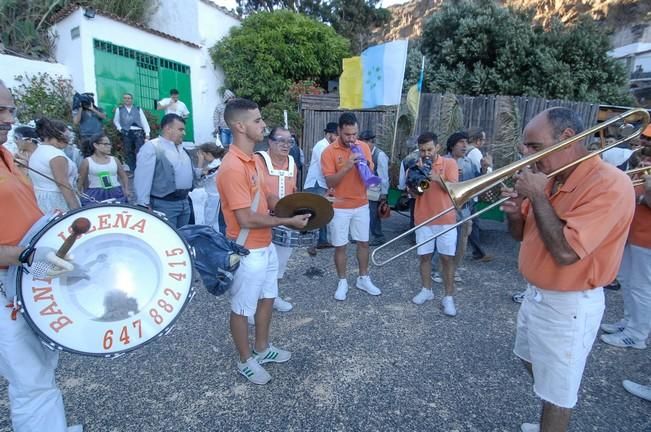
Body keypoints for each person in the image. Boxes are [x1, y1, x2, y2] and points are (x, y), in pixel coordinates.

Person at [500, 107, 635, 432]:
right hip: (537, 296)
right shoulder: (550, 179)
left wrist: (535, 195)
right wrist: (516, 214)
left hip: (569, 304)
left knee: (559, 394)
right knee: (532, 362)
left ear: (567, 138)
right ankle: (550, 408)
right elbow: (522, 236)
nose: (527, 155)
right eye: (525, 148)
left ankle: (553, 419)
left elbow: (564, 251)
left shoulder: (609, 184)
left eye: (534, 147)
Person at [0, 79, 82, 432]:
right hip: (8, 280)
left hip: (24, 275)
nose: (8, 118)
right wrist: (27, 255)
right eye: (0, 109)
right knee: (30, 381)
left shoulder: (8, 157)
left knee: (42, 365)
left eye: (11, 109)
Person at [216, 98, 310, 385]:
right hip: (247, 249)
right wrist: (287, 222)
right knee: (242, 308)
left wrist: (290, 207)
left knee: (268, 297)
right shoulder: (232, 166)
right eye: (257, 121)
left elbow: (265, 197)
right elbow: (245, 218)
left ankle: (262, 348)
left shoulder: (253, 160)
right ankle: (245, 360)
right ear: (239, 126)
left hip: (264, 244)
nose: (263, 125)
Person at [321, 112, 382, 301]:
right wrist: (347, 166)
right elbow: (330, 181)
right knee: (340, 246)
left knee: (363, 242)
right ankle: (342, 281)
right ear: (339, 131)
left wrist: (364, 166)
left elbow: (370, 174)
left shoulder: (363, 146)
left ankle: (363, 278)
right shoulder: (329, 152)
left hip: (361, 204)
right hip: (339, 206)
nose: (352, 138)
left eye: (354, 134)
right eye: (348, 135)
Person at [600, 147, 651, 349]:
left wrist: (647, 189)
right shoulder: (641, 167)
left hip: (647, 240)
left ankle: (637, 334)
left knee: (641, 288)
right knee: (627, 282)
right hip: (633, 234)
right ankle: (629, 322)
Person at [409, 132, 460, 316]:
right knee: (424, 257)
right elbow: (416, 195)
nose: (426, 153)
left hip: (446, 219)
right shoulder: (415, 167)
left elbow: (454, 190)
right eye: (422, 150)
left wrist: (436, 177)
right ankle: (426, 290)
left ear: (437, 147)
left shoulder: (450, 163)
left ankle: (448, 297)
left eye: (429, 149)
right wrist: (423, 178)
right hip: (423, 219)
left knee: (447, 259)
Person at [257, 127, 299, 312]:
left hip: (285, 222)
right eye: (281, 140)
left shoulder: (292, 163)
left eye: (289, 141)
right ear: (270, 142)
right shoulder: (258, 161)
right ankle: (253, 304)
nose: (286, 145)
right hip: (261, 221)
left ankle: (272, 296)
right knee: (258, 266)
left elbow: (293, 190)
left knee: (279, 264)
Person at [134, 114, 198, 228]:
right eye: (180, 129)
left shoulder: (182, 148)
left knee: (184, 238)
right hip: (164, 204)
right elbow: (142, 178)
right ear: (168, 129)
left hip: (184, 202)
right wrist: (143, 204)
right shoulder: (152, 147)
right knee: (167, 240)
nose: (184, 133)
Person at [445, 131, 478, 281]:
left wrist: (485, 169)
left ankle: (455, 270)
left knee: (461, 241)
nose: (465, 145)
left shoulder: (468, 162)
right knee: (444, 241)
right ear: (452, 145)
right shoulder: (443, 161)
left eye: (466, 142)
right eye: (461, 142)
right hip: (445, 209)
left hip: (464, 209)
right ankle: (437, 269)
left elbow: (477, 182)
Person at [29, 118, 80, 213]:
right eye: (67, 137)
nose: (68, 141)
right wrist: (76, 210)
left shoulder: (38, 151)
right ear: (58, 135)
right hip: (58, 201)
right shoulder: (56, 155)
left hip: (42, 199)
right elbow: (63, 184)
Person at [303, 122, 338, 254]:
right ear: (329, 134)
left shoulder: (329, 146)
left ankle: (321, 240)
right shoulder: (321, 146)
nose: (337, 138)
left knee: (322, 211)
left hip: (322, 183)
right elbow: (326, 167)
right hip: (316, 183)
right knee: (317, 212)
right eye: (336, 135)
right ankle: (311, 242)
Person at [77, 133, 129, 206]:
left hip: (115, 191)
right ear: (96, 145)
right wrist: (78, 195)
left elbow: (123, 176)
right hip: (95, 192)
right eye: (105, 144)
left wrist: (126, 189)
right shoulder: (87, 161)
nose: (109, 147)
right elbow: (81, 181)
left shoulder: (115, 160)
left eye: (109, 144)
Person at [466, 128, 493, 262]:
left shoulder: (465, 150)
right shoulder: (475, 152)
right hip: (470, 194)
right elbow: (483, 174)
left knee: (472, 223)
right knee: (472, 224)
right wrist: (489, 165)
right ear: (477, 140)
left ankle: (478, 252)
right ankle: (478, 253)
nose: (484, 142)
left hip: (466, 192)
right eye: (483, 139)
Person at [359, 130, 389, 246]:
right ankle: (362, 236)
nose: (364, 144)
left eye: (366, 142)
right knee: (363, 215)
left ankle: (378, 236)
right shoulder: (362, 153)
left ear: (372, 142)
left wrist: (384, 194)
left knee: (373, 215)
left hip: (374, 191)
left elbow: (384, 177)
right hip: (364, 189)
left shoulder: (379, 155)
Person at [112, 93, 151, 174]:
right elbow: (116, 121)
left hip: (138, 132)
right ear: (123, 99)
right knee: (128, 151)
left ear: (132, 99)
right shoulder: (119, 109)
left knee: (139, 151)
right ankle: (133, 170)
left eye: (129, 98)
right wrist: (120, 129)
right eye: (125, 98)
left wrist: (147, 134)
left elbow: (144, 121)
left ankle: (141, 169)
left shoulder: (138, 109)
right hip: (126, 132)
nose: (127, 100)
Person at [196, 143, 226, 232]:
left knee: (210, 222)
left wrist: (200, 162)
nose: (202, 157)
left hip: (214, 197)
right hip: (214, 196)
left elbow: (197, 177)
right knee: (213, 222)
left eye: (203, 155)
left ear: (208, 154)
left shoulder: (213, 166)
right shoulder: (217, 163)